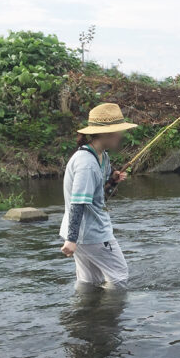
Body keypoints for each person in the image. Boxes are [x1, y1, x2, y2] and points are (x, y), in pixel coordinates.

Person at [59, 103, 136, 289]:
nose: (121, 136)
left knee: (90, 281)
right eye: (118, 131)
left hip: (85, 233)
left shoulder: (102, 157)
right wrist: (71, 240)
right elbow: (78, 203)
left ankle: (84, 314)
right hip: (91, 234)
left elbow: (98, 197)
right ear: (107, 134)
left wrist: (113, 182)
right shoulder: (86, 163)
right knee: (119, 278)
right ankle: (106, 314)